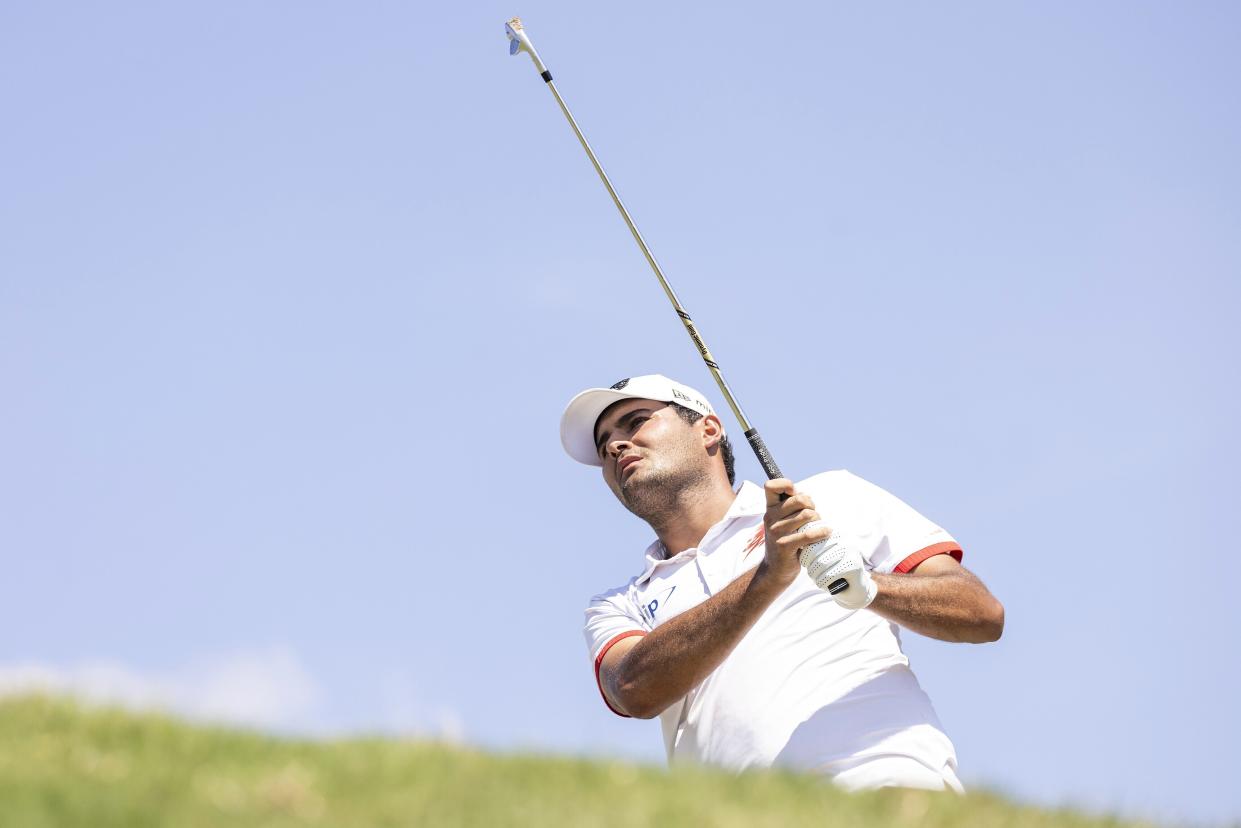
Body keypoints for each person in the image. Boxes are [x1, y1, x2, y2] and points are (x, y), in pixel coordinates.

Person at [560, 374, 1004, 792]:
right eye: (604, 447)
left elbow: (980, 613)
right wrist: (769, 575)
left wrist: (866, 587)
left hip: (883, 781)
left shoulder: (831, 497)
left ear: (709, 429)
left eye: (636, 421)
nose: (616, 445)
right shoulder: (618, 604)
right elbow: (633, 691)